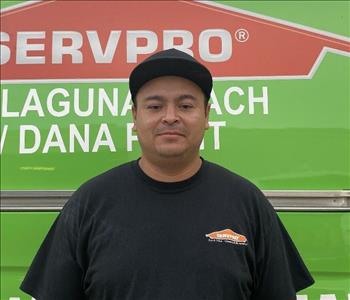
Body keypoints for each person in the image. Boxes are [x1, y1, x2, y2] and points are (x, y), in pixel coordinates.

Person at [20, 48, 314, 300]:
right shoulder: (89, 204)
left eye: (185, 105)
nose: (170, 116)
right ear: (135, 117)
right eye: (155, 106)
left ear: (207, 116)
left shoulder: (248, 203)